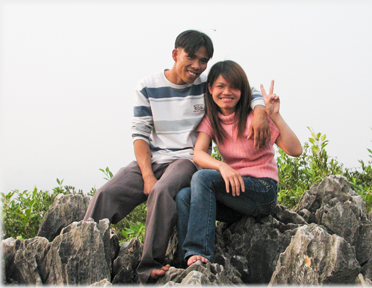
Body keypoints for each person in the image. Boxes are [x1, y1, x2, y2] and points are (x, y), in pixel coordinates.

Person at [83, 31, 270, 283]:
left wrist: (260, 111)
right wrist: (147, 175)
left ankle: (149, 266)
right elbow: (139, 134)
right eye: (191, 57)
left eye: (203, 61)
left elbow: (243, 89)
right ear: (175, 54)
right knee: (107, 192)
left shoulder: (205, 87)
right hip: (153, 159)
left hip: (186, 161)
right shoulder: (147, 86)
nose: (197, 66)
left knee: (162, 192)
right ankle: (81, 244)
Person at [176, 60, 302, 267]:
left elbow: (295, 150)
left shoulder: (255, 117)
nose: (227, 92)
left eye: (234, 87)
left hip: (262, 191)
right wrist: (223, 166)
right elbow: (198, 154)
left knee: (202, 178)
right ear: (210, 89)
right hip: (236, 196)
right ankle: (188, 259)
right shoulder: (212, 119)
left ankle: (201, 253)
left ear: (243, 91)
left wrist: (274, 115)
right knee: (184, 196)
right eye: (220, 86)